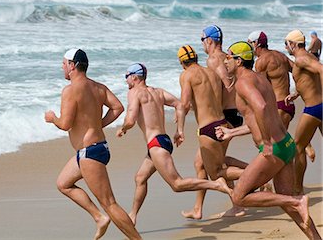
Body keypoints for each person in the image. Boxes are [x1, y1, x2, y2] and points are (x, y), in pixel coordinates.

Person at [223, 41, 320, 239]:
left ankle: (297, 201)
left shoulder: (244, 82)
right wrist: (231, 133)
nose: (225, 61)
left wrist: (266, 143)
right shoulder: (259, 79)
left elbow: (260, 108)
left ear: (239, 61)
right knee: (287, 203)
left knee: (239, 196)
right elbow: (256, 118)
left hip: (273, 148)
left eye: (228, 57)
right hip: (286, 144)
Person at [116, 62, 232, 225]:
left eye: (126, 78)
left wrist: (123, 128)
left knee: (177, 184)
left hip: (156, 145)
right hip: (163, 141)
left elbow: (131, 118)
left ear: (134, 77)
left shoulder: (134, 93)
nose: (126, 82)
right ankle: (133, 215)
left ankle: (216, 184)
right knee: (140, 178)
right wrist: (179, 130)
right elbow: (179, 104)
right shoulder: (158, 92)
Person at [45, 49, 141, 240]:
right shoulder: (98, 87)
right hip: (95, 149)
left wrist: (52, 118)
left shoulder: (70, 91)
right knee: (63, 184)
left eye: (64, 63)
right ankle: (99, 218)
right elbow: (118, 107)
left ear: (72, 66)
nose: (62, 67)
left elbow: (65, 124)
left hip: (90, 153)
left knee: (110, 203)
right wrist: (99, 124)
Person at [181, 25, 247, 219]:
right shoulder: (227, 57)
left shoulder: (213, 59)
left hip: (223, 117)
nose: (201, 43)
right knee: (203, 164)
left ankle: (254, 179)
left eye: (202, 39)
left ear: (210, 40)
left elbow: (228, 85)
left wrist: (210, 108)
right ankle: (199, 208)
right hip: (229, 115)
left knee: (215, 169)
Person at [247, 31, 315, 162]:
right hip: (288, 105)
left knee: (270, 144)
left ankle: (305, 145)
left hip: (278, 107)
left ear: (256, 44)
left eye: (250, 43)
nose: (249, 48)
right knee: (278, 142)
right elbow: (299, 71)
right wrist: (298, 91)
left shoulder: (261, 62)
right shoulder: (280, 56)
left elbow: (262, 89)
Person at [283, 30, 323, 196]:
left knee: (297, 147)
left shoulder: (301, 59)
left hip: (314, 109)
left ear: (292, 44)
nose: (285, 47)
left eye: (286, 44)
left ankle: (297, 189)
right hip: (319, 106)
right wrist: (297, 93)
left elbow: (321, 70)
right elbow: (309, 79)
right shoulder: (309, 56)